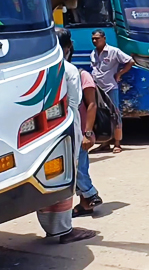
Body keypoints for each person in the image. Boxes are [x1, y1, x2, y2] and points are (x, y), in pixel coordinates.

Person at [37, 28, 96, 243]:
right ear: (68, 47)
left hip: (40, 132)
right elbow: (74, 103)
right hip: (65, 130)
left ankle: (51, 227)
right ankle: (63, 230)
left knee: (44, 179)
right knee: (64, 179)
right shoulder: (70, 70)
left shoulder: (39, 68)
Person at [90, 29, 134, 154]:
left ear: (104, 38)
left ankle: (117, 143)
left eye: (97, 38)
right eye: (93, 39)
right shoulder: (93, 53)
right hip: (97, 88)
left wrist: (119, 74)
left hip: (110, 87)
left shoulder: (113, 51)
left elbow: (130, 61)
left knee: (115, 114)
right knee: (101, 115)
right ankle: (104, 143)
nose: (94, 41)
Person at [73, 67, 103, 217]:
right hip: (69, 130)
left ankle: (91, 194)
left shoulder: (82, 75)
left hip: (82, 131)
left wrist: (88, 133)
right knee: (78, 165)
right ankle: (86, 203)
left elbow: (92, 104)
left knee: (78, 166)